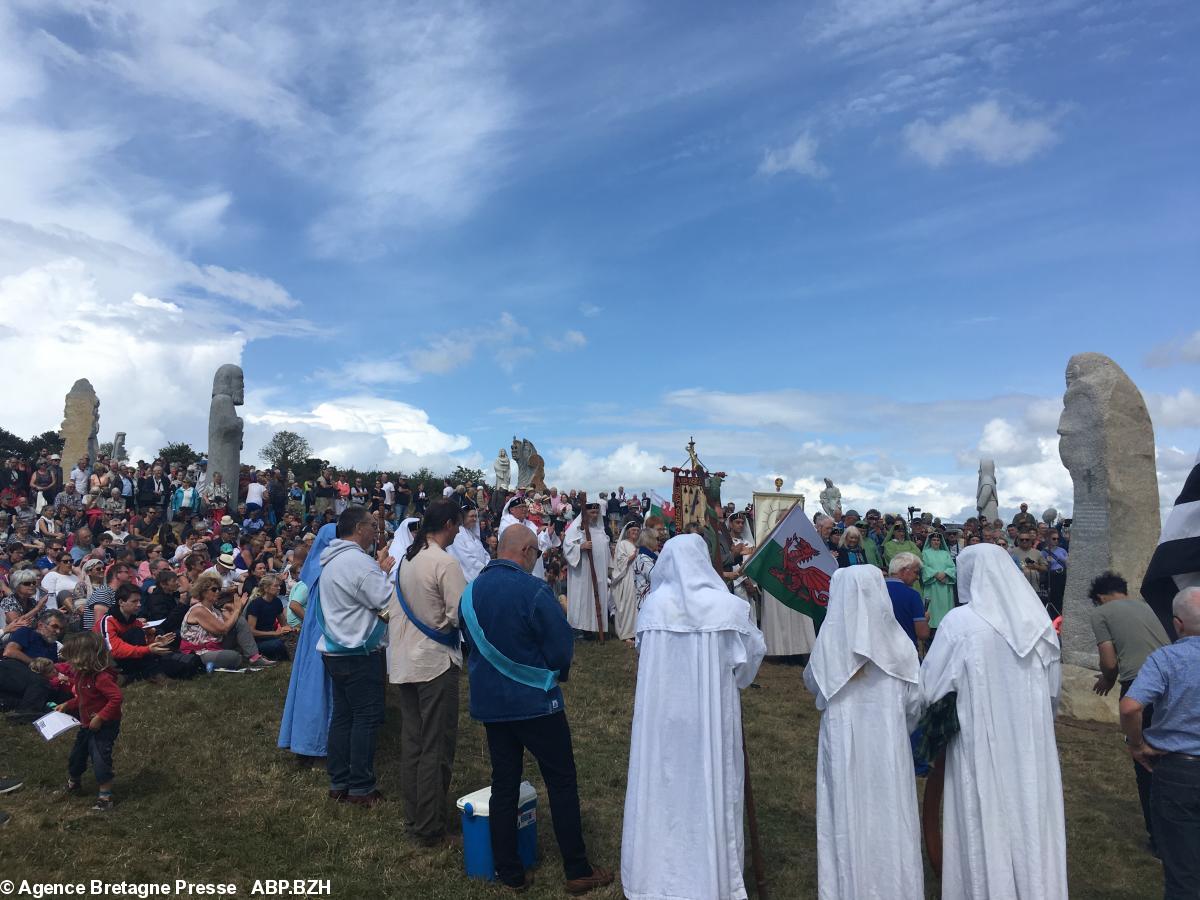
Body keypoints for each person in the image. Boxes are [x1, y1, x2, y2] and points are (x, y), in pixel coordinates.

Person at [461, 524, 613, 894]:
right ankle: (577, 868)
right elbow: (561, 650)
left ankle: (509, 870)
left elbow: (469, 643)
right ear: (528, 550)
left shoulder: (469, 593)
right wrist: (551, 672)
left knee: (504, 784)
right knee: (561, 782)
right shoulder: (534, 590)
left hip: (493, 705)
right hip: (536, 705)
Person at [622, 535, 766, 900]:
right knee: (710, 785)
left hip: (662, 718)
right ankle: (706, 876)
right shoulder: (729, 609)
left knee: (663, 787)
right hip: (709, 718)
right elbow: (749, 664)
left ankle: (657, 874)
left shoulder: (652, 609)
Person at [920, 543, 1067, 899]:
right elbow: (1053, 694)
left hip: (980, 740)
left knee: (983, 814)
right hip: (1031, 742)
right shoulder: (1039, 627)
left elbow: (930, 688)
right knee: (1032, 814)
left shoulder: (960, 623)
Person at [803, 566, 924, 899]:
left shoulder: (828, 647)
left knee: (847, 813)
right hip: (887, 745)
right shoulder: (900, 648)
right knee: (890, 815)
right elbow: (915, 703)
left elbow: (813, 685)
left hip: (844, 744)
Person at [390, 500, 464, 843]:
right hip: (434, 661)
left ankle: (413, 818)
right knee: (436, 745)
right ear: (448, 524)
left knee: (415, 743)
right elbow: (458, 616)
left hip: (405, 659)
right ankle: (429, 827)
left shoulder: (408, 558)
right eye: (458, 525)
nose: (460, 531)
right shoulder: (445, 562)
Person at [1119, 586, 1200, 898]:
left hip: (1178, 769)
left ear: (1177, 624)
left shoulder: (1166, 658)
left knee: (1183, 873)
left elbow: (1130, 706)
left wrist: (1136, 744)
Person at [1088, 571, 1171, 853]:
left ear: (1100, 598)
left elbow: (1109, 662)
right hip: (1173, 682)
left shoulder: (1102, 613)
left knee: (1146, 761)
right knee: (1173, 755)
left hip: (1140, 685)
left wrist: (1107, 680)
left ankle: (1159, 840)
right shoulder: (1146, 607)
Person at [317, 506, 394, 806]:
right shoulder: (358, 563)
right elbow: (385, 599)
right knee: (366, 718)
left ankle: (339, 781)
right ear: (359, 528)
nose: (376, 531)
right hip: (359, 651)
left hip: (335, 649)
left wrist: (378, 571)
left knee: (343, 716)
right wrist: (383, 574)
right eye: (373, 525)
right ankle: (361, 788)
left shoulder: (333, 560)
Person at [278, 524, 337, 766]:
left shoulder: (315, 568)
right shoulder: (329, 569)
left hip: (312, 634)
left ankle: (305, 742)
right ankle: (318, 743)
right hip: (325, 633)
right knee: (321, 690)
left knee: (308, 687)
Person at [57, 631, 122, 812]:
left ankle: (105, 796)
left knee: (100, 758)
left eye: (74, 658)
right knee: (77, 756)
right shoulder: (81, 675)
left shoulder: (102, 678)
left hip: (104, 726)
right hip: (87, 724)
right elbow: (84, 698)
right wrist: (67, 704)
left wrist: (101, 717)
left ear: (89, 656)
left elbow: (116, 699)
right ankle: (74, 782)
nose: (71, 663)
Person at [179, 574, 276, 669]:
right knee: (234, 657)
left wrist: (235, 610)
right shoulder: (199, 610)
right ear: (203, 592)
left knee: (239, 621)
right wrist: (237, 610)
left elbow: (234, 623)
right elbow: (223, 629)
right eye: (214, 589)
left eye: (219, 589)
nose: (217, 592)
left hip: (215, 645)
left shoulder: (213, 609)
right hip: (199, 651)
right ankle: (243, 655)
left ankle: (254, 657)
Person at [96, 584, 175, 683]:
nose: (139, 604)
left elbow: (142, 647)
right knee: (136, 633)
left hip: (131, 659)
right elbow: (114, 650)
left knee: (171, 655)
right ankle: (151, 674)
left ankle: (137, 676)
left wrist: (154, 641)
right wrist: (148, 649)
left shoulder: (134, 621)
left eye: (139, 601)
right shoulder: (107, 621)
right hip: (111, 662)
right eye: (134, 601)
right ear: (121, 602)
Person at [1, 610, 70, 721]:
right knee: (39, 682)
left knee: (60, 692)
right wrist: (36, 664)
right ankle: (26, 713)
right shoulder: (26, 632)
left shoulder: (52, 645)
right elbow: (9, 651)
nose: (57, 631)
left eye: (61, 629)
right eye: (54, 627)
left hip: (30, 680)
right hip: (10, 669)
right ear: (41, 625)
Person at [562, 502, 610, 636]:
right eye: (591, 513)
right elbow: (567, 547)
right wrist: (580, 547)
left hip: (599, 572)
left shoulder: (600, 530)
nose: (594, 516)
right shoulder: (576, 529)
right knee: (583, 598)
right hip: (582, 572)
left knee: (598, 596)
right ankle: (581, 628)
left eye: (596, 513)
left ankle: (597, 627)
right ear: (585, 513)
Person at [884, 552, 930, 648]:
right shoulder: (912, 595)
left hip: (879, 653)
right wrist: (925, 620)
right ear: (904, 570)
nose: (917, 578)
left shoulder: (875, 590)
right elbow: (923, 634)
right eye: (916, 572)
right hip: (905, 652)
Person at [245, 575, 292, 661]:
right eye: (276, 586)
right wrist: (273, 633)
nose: (279, 588)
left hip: (272, 637)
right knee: (278, 644)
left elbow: (283, 624)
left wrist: (290, 629)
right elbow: (251, 631)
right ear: (266, 588)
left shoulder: (277, 602)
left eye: (279, 586)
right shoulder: (255, 604)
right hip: (257, 642)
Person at [609, 520, 641, 644]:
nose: (635, 533)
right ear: (628, 532)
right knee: (627, 604)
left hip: (637, 577)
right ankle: (626, 633)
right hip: (626, 577)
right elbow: (619, 561)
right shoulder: (623, 544)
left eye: (637, 531)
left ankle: (635, 631)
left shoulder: (638, 545)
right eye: (633, 531)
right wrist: (632, 557)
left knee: (636, 604)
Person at [921, 533, 957, 634]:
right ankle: (931, 630)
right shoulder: (925, 553)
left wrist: (945, 574)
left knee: (945, 609)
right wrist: (936, 574)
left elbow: (952, 567)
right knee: (933, 609)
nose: (936, 542)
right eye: (934, 540)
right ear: (930, 542)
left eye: (938, 540)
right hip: (932, 586)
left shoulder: (945, 553)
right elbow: (924, 567)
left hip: (944, 586)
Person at [447, 506, 489, 583]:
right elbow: (465, 558)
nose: (475, 519)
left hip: (484, 573)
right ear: (463, 517)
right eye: (471, 516)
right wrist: (483, 570)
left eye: (476, 516)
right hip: (469, 579)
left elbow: (485, 553)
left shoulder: (472, 535)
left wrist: (488, 567)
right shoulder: (457, 534)